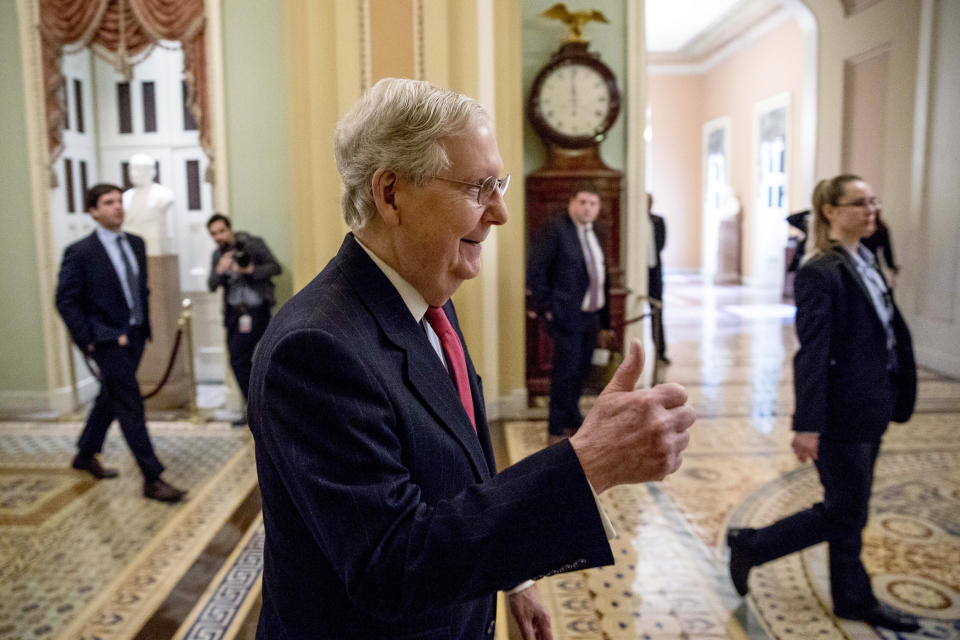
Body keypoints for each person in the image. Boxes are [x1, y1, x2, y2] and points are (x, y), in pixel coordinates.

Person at [248, 78, 696, 640]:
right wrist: (589, 462)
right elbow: (392, 564)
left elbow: (457, 467)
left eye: (499, 183)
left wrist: (515, 577)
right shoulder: (315, 350)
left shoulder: (425, 297)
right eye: (479, 187)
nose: (502, 212)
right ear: (390, 194)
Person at [727, 174, 920, 632]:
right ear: (831, 211)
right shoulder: (820, 271)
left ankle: (853, 597)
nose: (871, 210)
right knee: (845, 510)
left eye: (873, 201)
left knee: (850, 506)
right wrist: (807, 424)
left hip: (873, 403)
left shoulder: (866, 257)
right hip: (841, 412)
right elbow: (811, 352)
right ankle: (753, 545)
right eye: (859, 203)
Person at [55, 184, 187, 503]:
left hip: (136, 335)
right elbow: (66, 300)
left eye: (119, 201)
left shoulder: (136, 244)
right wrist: (89, 339)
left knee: (109, 397)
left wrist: (138, 325)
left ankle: (85, 453)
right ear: (93, 211)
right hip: (106, 341)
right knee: (129, 403)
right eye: (108, 202)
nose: (117, 207)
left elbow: (137, 289)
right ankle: (152, 477)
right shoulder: (80, 252)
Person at [527, 182, 614, 446]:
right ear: (572, 203)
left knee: (582, 371)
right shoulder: (556, 230)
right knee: (565, 373)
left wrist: (605, 321)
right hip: (566, 315)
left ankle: (573, 417)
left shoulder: (596, 232)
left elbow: (602, 276)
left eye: (593, 204)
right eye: (583, 202)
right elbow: (537, 271)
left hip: (591, 315)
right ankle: (556, 427)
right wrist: (549, 309)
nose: (588, 208)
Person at [206, 213, 281, 418]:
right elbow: (212, 285)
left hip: (256, 311)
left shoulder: (253, 244)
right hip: (233, 314)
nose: (218, 237)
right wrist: (220, 270)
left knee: (243, 359)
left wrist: (250, 269)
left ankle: (257, 407)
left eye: (221, 231)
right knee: (238, 360)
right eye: (213, 234)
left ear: (230, 228)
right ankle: (255, 406)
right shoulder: (218, 255)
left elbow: (276, 268)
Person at [122, 153, 175, 255]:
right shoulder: (126, 197)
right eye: (131, 169)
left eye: (138, 169)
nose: (134, 174)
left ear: (150, 172)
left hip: (153, 247)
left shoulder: (163, 194)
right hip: (132, 247)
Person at [647, 193, 668, 364]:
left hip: (654, 271)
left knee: (658, 311)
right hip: (641, 272)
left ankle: (660, 351)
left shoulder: (658, 221)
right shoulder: (635, 221)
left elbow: (661, 244)